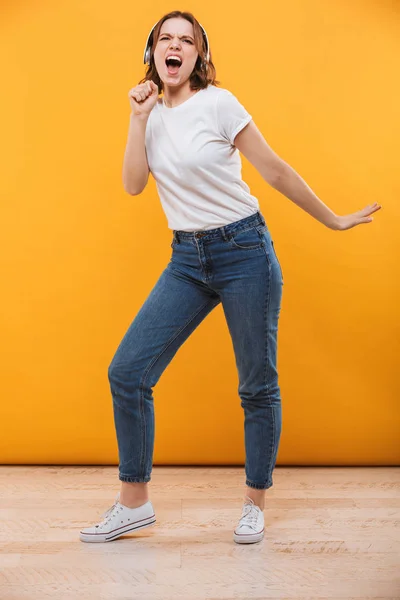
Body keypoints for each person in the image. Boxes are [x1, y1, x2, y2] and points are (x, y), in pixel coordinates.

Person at [80, 11, 381, 545]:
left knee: (256, 385)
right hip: (187, 260)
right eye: (164, 40)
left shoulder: (218, 103)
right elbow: (132, 185)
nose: (174, 48)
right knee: (127, 372)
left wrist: (334, 219)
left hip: (244, 251)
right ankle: (134, 504)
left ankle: (254, 504)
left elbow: (274, 170)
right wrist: (136, 119)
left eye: (186, 41)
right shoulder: (147, 113)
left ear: (199, 55)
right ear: (152, 53)